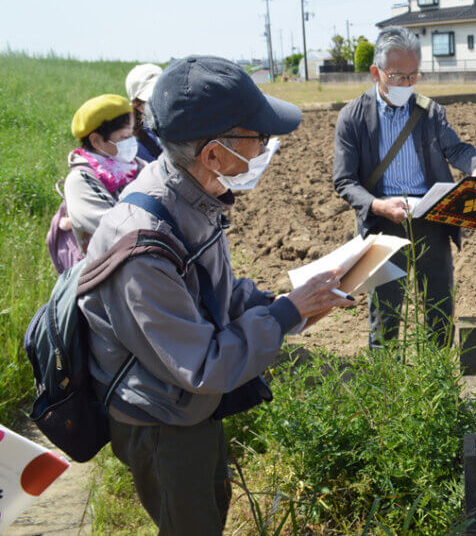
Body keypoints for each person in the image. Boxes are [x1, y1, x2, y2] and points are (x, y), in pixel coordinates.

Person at [78, 55, 355, 535]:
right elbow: (203, 365)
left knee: (211, 506)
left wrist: (281, 307)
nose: (267, 147)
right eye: (258, 137)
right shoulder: (143, 244)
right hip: (160, 419)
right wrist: (286, 313)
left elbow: (217, 293)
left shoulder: (192, 195)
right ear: (212, 153)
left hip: (184, 403)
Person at [333, 26, 476, 348]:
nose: (405, 85)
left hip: (433, 219)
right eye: (396, 77)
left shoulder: (429, 111)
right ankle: (386, 388)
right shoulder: (353, 117)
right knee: (385, 313)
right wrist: (378, 206)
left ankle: (436, 383)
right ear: (375, 72)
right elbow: (344, 180)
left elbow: (457, 149)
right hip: (383, 223)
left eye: (413, 76)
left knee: (439, 307)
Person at [65, 94, 147, 254]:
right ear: (96, 141)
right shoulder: (81, 180)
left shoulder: (137, 166)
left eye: (132, 135)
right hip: (108, 270)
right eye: (124, 137)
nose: (131, 142)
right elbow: (118, 226)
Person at [125, 63, 164, 162]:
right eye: (154, 98)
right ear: (138, 106)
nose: (164, 101)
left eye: (165, 93)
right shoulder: (135, 149)